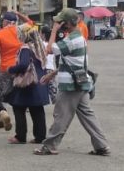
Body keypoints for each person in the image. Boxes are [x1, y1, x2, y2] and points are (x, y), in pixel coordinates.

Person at [34, 9, 111, 156]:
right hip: (81, 83)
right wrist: (52, 74)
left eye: (60, 22)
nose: (57, 24)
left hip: (71, 85)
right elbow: (71, 62)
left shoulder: (72, 39)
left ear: (67, 23)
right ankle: (101, 145)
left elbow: (49, 49)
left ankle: (49, 146)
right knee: (88, 116)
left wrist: (53, 31)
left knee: (61, 115)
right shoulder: (78, 38)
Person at [6, 25, 53, 144]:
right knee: (37, 109)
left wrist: (11, 69)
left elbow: (24, 64)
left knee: (18, 107)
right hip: (39, 81)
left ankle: (20, 136)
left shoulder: (25, 48)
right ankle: (40, 136)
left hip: (28, 83)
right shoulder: (39, 46)